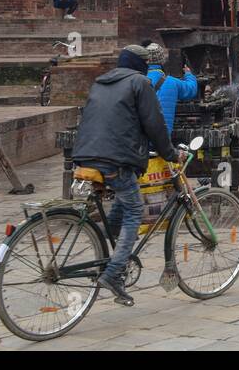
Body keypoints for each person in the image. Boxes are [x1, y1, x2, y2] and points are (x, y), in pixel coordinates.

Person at [70, 45, 181, 307]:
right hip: (116, 158)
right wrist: (171, 154)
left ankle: (111, 254)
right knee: (134, 211)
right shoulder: (140, 83)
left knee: (121, 204)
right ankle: (114, 272)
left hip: (87, 154)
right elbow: (155, 124)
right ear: (141, 65)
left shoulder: (101, 82)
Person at [144, 45, 198, 136]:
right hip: (162, 139)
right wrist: (189, 75)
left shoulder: (137, 81)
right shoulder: (171, 82)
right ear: (163, 61)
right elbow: (191, 89)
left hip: (140, 140)